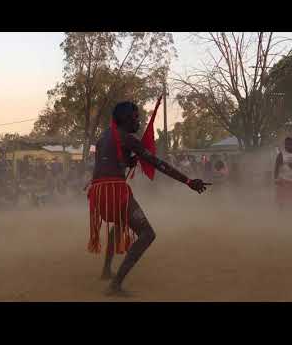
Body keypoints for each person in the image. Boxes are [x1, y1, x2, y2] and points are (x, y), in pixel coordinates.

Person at [88, 101, 210, 296]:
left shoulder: (104, 136)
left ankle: (106, 271)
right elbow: (158, 163)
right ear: (126, 118)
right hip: (114, 190)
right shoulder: (127, 138)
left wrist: (129, 160)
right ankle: (115, 285)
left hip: (97, 192)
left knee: (120, 225)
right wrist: (188, 181)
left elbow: (112, 161)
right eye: (136, 117)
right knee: (147, 234)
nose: (139, 121)